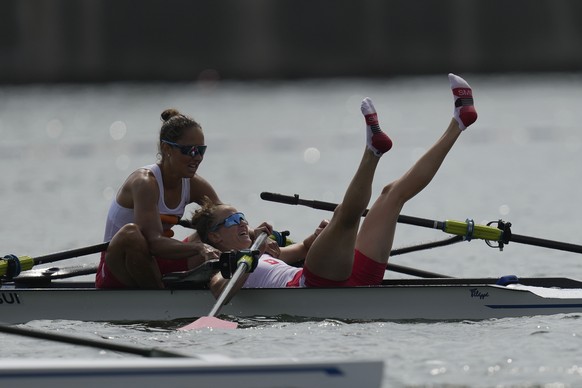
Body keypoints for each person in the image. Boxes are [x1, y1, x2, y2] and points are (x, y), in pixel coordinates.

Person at [191, 73, 478, 296]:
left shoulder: (263, 250)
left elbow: (303, 249)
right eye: (231, 221)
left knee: (392, 195)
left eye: (240, 216)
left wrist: (317, 239)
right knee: (346, 216)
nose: (242, 223)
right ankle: (372, 152)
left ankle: (459, 122)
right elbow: (219, 290)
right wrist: (247, 263)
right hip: (314, 285)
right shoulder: (220, 266)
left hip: (342, 274)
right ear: (214, 237)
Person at [96, 109, 223, 289]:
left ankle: (225, 284)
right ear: (166, 148)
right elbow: (154, 242)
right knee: (132, 234)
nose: (198, 157)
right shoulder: (145, 183)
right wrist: (199, 248)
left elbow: (226, 217)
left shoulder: (193, 184)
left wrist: (254, 233)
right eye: (190, 150)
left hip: (154, 262)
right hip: (118, 269)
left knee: (218, 230)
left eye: (201, 150)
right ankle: (161, 302)